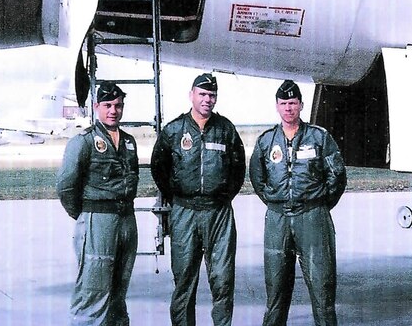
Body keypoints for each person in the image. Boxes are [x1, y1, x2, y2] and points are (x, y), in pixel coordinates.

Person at [151, 72, 246, 326]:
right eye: (202, 94)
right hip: (185, 212)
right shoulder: (173, 130)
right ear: (191, 95)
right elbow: (159, 167)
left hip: (218, 213)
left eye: (212, 95)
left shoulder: (225, 129)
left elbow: (238, 169)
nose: (207, 100)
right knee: (184, 280)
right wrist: (179, 195)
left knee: (223, 280)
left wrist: (222, 196)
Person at [249, 80, 347, 326]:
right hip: (277, 219)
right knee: (276, 289)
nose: (288, 108)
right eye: (283, 103)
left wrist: (319, 205)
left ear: (301, 105)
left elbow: (337, 176)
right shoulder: (266, 141)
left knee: (322, 289)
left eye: (293, 103)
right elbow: (257, 178)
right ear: (277, 107)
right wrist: (277, 201)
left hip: (312, 217)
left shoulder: (319, 137)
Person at [57, 81, 139, 326]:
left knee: (118, 292)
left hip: (126, 220)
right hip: (98, 220)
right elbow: (66, 185)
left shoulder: (128, 142)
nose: (113, 110)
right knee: (93, 292)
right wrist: (85, 216)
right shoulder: (83, 142)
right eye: (107, 105)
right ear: (96, 107)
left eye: (118, 105)